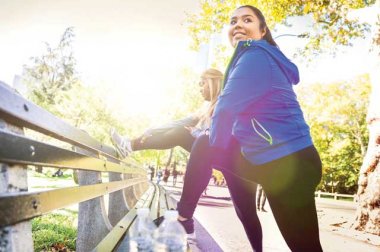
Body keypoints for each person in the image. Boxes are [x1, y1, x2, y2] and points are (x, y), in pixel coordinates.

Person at [176, 5, 323, 252]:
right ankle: (183, 218)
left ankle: (182, 218)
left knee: (205, 144)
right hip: (278, 162)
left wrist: (216, 151)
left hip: (290, 164)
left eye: (247, 20)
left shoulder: (255, 55)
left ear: (262, 30)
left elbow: (225, 108)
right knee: (306, 247)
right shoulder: (257, 56)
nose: (238, 25)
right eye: (233, 21)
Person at [110, 68, 224, 157]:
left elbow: (216, 136)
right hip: (205, 146)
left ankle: (130, 146)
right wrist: (152, 130)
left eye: (202, 83)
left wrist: (196, 132)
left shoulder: (223, 104)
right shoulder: (205, 108)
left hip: (217, 151)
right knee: (177, 129)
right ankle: (130, 144)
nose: (200, 89)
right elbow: (179, 123)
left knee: (180, 132)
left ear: (211, 83)